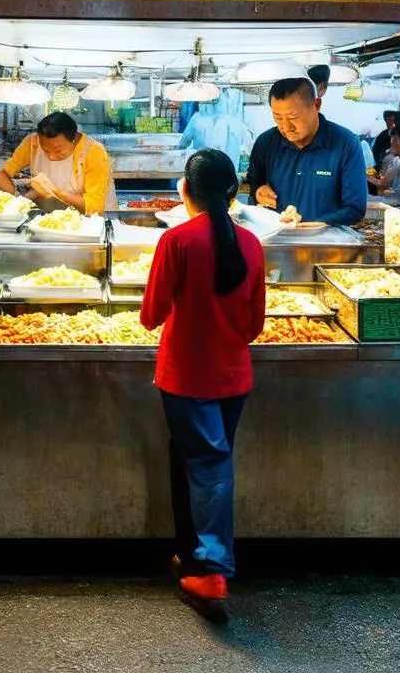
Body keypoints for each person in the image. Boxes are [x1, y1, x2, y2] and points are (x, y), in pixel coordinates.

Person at [141, 149, 265, 622]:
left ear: (185, 192)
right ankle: (189, 554)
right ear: (233, 194)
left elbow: (151, 315)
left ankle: (211, 571)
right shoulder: (250, 244)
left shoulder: (177, 241)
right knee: (200, 460)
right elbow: (254, 325)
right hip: (233, 376)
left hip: (185, 376)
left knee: (207, 464)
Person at [247, 78, 367, 225]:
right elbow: (254, 185)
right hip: (279, 240)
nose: (285, 127)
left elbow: (355, 208)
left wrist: (323, 224)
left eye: (293, 117)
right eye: (277, 118)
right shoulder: (266, 143)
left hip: (326, 241)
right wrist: (258, 192)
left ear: (317, 105)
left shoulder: (345, 143)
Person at [0, 111, 117, 215]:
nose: (52, 157)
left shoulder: (93, 152)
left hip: (87, 224)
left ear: (74, 139)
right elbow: (2, 174)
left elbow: (95, 206)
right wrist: (18, 200)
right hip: (44, 221)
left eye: (59, 150)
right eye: (46, 150)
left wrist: (55, 192)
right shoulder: (32, 143)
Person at [178, 93, 255, 171]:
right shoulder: (235, 121)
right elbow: (251, 147)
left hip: (203, 173)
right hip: (229, 174)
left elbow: (183, 143)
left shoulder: (196, 119)